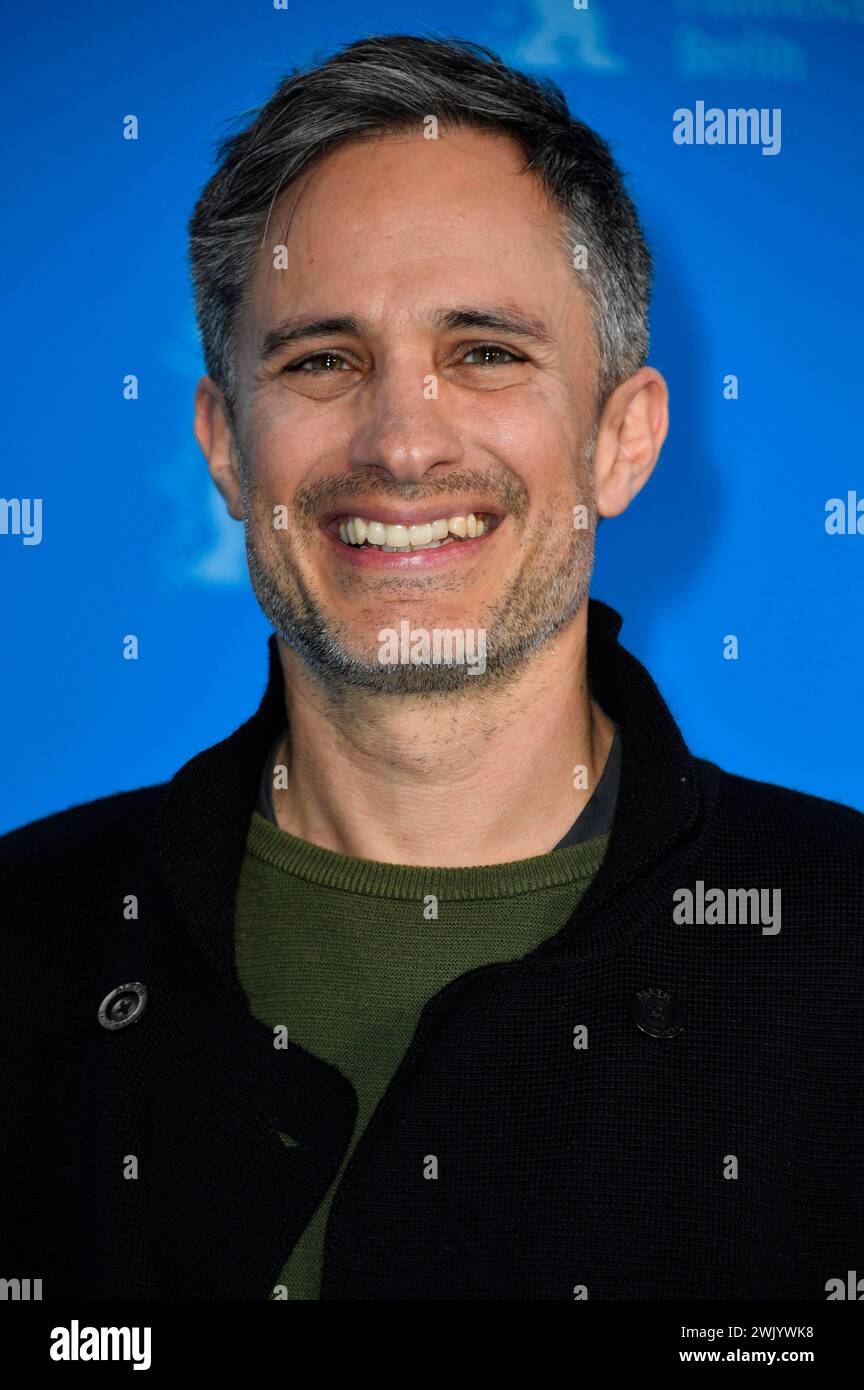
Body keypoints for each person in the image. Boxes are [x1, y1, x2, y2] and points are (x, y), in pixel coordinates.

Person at [1, 34, 861, 1301]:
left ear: (623, 441)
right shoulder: (26, 939)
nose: (402, 444)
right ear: (226, 447)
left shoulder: (845, 953)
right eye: (321, 361)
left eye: (487, 353)